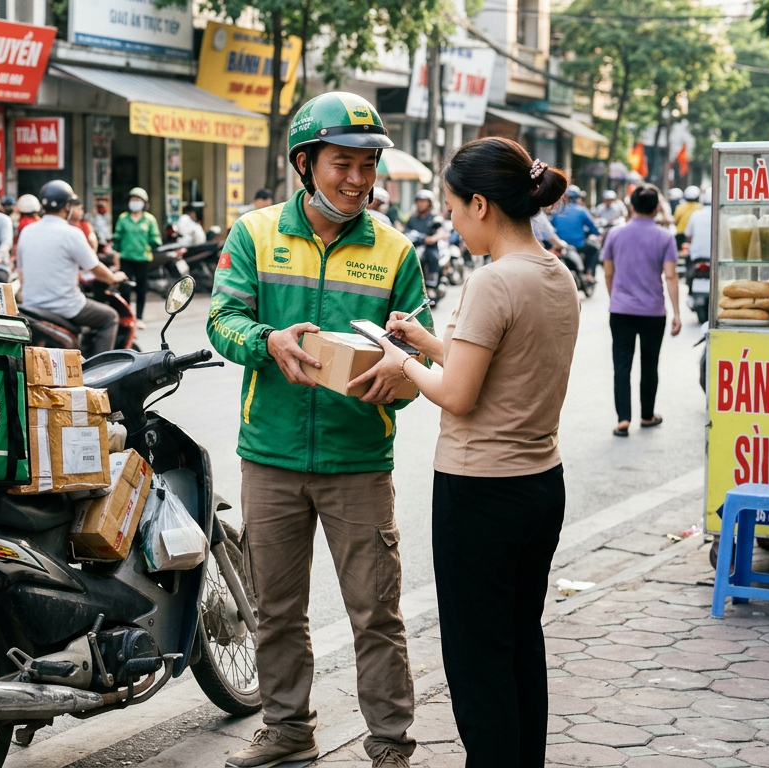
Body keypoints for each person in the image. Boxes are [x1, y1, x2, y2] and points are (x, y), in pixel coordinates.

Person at [208, 92, 425, 768]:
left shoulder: (396, 250)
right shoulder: (254, 233)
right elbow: (223, 320)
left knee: (376, 613)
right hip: (269, 455)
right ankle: (287, 728)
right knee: (275, 608)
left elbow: (419, 355)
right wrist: (266, 340)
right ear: (306, 162)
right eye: (342, 163)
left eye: (367, 165)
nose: (357, 180)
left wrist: (402, 376)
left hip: (358, 459)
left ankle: (390, 740)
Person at [357, 138, 580, 767]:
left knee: (477, 659)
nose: (451, 221)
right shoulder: (556, 274)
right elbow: (498, 368)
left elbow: (457, 395)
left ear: (481, 204)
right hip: (540, 484)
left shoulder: (492, 282)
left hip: (480, 492)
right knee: (517, 643)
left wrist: (402, 362)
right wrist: (426, 340)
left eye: (454, 207)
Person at [602, 183, 681, 436]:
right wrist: (677, 312)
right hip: (653, 312)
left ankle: (623, 420)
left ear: (631, 207)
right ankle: (647, 416)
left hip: (621, 311)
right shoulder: (665, 237)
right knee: (650, 365)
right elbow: (670, 277)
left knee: (621, 364)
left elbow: (608, 272)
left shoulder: (615, 234)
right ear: (657, 209)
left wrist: (615, 298)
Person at [17, 181, 126, 357]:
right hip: (65, 307)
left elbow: (21, 272)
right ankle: (100, 372)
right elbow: (95, 267)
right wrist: (113, 278)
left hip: (31, 306)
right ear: (67, 206)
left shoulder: (26, 231)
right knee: (110, 317)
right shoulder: (72, 233)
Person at [113, 187, 162, 329]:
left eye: (138, 200)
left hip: (143, 259)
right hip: (126, 258)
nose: (135, 202)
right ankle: (126, 317)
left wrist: (148, 245)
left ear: (144, 203)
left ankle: (139, 318)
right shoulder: (123, 218)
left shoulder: (149, 219)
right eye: (132, 199)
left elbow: (155, 239)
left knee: (141, 289)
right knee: (125, 289)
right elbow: (117, 239)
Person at [551, 185, 601, 275]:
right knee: (595, 248)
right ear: (576, 198)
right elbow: (592, 227)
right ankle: (589, 274)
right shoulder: (582, 210)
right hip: (578, 245)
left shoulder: (557, 211)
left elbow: (550, 227)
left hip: (560, 245)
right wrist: (596, 232)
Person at [684, 189, 712, 263]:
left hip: (696, 256)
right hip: (715, 257)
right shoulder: (721, 215)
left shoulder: (695, 214)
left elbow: (688, 237)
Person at [672, 185, 702, 249]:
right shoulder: (700, 208)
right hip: (694, 236)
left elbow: (675, 222)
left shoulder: (680, 207)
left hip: (680, 236)